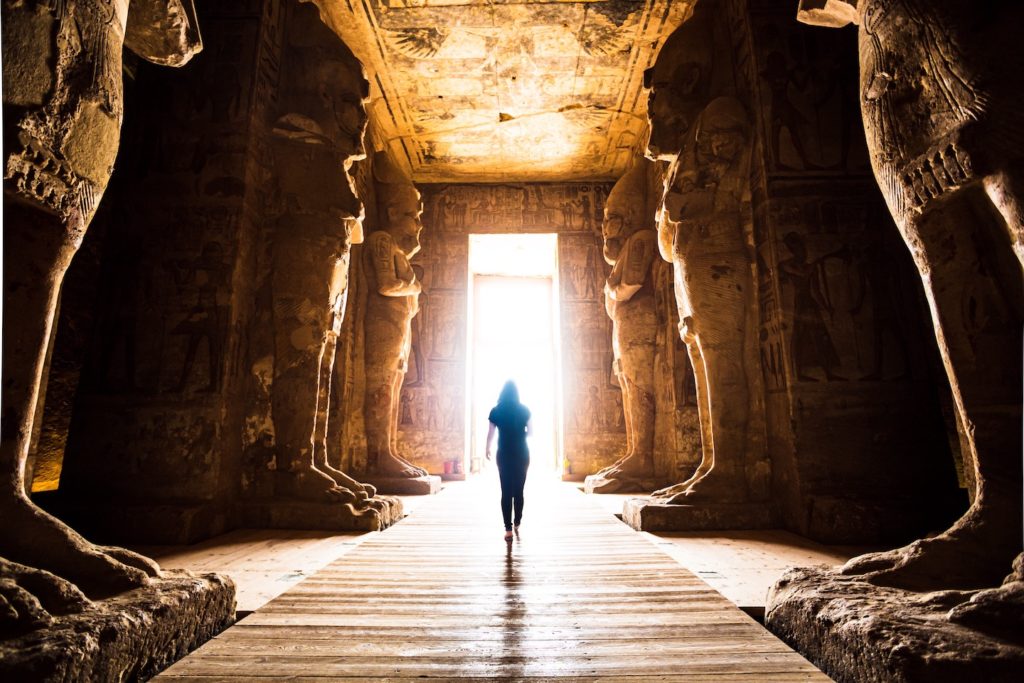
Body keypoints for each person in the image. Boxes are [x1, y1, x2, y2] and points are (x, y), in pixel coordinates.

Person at [485, 380, 532, 542]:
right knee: (519, 491)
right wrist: (520, 434)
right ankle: (517, 520)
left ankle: (508, 529)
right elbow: (531, 432)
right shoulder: (525, 410)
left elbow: (490, 433)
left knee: (505, 491)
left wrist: (487, 448)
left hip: (503, 453)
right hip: (522, 453)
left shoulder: (496, 410)